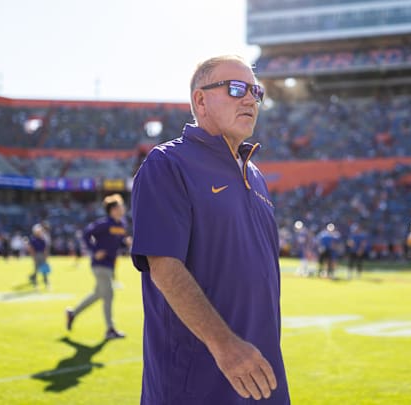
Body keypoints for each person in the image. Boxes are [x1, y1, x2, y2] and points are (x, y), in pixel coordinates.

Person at [130, 55, 289, 404]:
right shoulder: (168, 163)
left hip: (262, 375)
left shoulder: (256, 176)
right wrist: (226, 346)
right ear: (200, 100)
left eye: (255, 91)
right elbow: (164, 266)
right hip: (198, 382)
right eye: (235, 89)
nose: (250, 99)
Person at [66, 194, 131, 340]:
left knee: (98, 294)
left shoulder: (121, 225)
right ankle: (110, 329)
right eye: (120, 206)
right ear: (113, 209)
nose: (123, 208)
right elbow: (85, 234)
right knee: (109, 294)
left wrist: (125, 242)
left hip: (110, 265)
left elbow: (117, 242)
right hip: (100, 265)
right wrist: (94, 251)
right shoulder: (104, 224)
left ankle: (73, 313)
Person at [28, 223, 51, 289]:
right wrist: (33, 256)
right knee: (36, 269)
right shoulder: (33, 239)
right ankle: (35, 283)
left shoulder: (43, 239)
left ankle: (46, 283)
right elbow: (31, 249)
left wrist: (46, 256)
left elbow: (45, 248)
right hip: (36, 255)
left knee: (44, 270)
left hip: (42, 255)